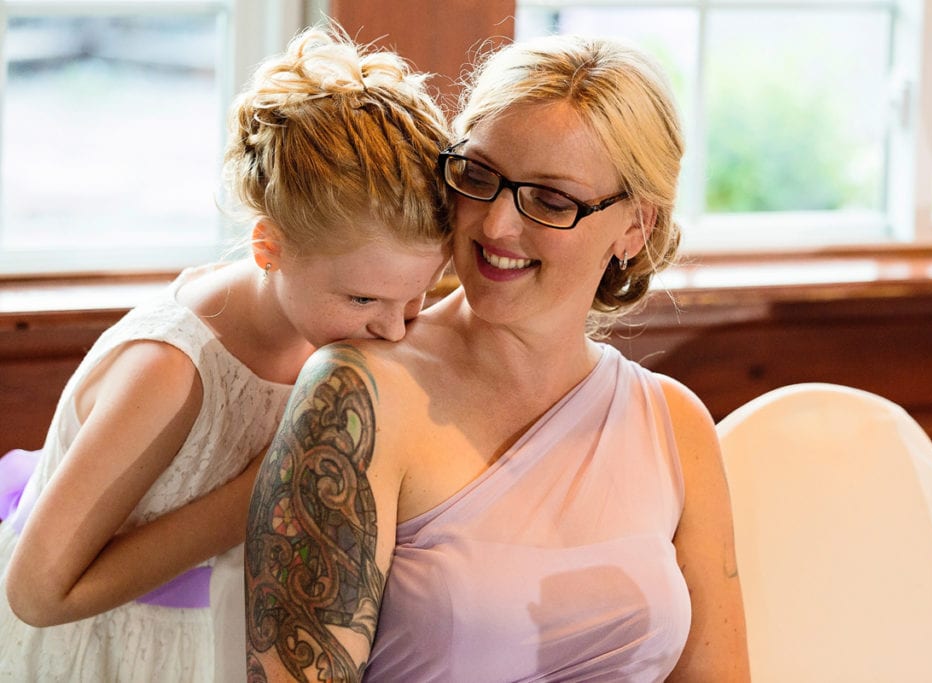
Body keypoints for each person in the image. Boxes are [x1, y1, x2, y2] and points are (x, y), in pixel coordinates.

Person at [245, 33, 750, 682]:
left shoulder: (678, 427)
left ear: (635, 226)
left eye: (550, 199)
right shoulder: (358, 394)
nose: (495, 226)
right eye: (479, 176)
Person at [0, 24, 452, 683]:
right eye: (363, 300)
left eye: (416, 298)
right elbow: (37, 593)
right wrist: (262, 491)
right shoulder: (171, 373)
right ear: (269, 247)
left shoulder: (343, 329)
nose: (395, 330)